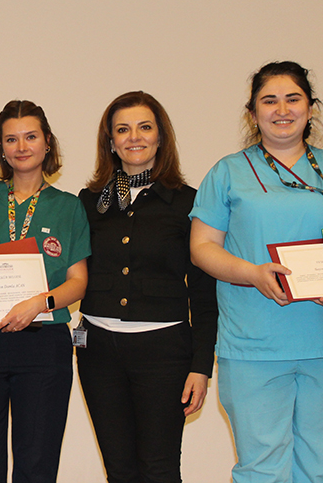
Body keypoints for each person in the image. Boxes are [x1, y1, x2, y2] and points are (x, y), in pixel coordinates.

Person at [189, 61, 323, 483]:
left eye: (293, 99)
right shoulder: (228, 172)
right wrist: (252, 273)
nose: (282, 109)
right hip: (253, 344)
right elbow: (201, 249)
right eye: (269, 101)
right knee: (261, 469)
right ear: (252, 113)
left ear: (311, 108)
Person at [76, 91, 217, 483]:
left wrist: (201, 366)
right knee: (119, 470)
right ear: (110, 141)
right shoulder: (89, 202)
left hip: (164, 353)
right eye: (122, 130)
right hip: (98, 351)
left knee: (159, 469)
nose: (134, 137)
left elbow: (204, 294)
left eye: (144, 127)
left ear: (160, 137)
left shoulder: (189, 203)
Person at [0, 100, 90, 483]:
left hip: (43, 344)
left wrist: (38, 303)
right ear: (1, 148)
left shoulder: (69, 207)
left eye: (31, 137)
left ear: (47, 143)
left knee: (37, 464)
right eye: (11, 139)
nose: (22, 146)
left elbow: (78, 281)